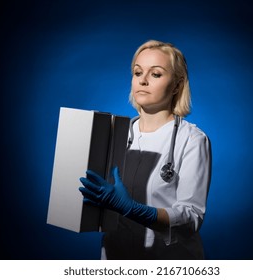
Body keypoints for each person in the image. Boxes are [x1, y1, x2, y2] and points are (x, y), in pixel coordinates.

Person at [79, 39, 212, 259]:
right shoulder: (113, 135)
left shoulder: (192, 139)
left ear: (177, 85)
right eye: (137, 72)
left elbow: (191, 218)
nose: (143, 80)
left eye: (156, 74)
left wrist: (134, 209)